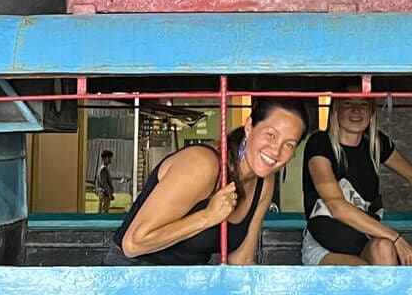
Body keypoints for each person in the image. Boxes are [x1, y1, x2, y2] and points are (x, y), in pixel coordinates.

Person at [107, 98, 309, 266]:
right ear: (249, 127)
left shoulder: (264, 182)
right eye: (271, 135)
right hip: (133, 277)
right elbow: (133, 244)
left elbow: (241, 260)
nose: (276, 150)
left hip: (188, 286)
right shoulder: (203, 164)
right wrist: (208, 217)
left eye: (289, 144)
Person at [302, 96, 412, 265]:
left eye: (363, 104)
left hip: (364, 241)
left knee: (384, 247)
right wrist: (396, 238)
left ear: (372, 110)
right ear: (335, 108)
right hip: (324, 245)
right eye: (347, 103)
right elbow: (336, 206)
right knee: (370, 275)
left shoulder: (375, 143)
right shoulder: (320, 143)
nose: (356, 110)